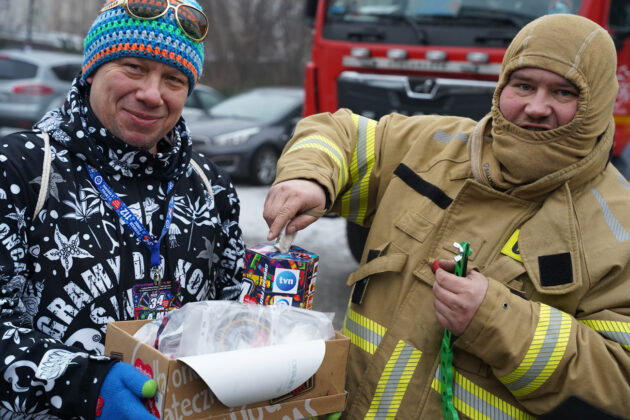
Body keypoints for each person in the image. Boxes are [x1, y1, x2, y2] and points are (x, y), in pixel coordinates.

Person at [263, 13, 630, 419]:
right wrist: (309, 177)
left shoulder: (620, 227)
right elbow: (338, 132)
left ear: (598, 103)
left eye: (563, 93)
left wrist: (497, 320)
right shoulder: (432, 145)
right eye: (523, 85)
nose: (536, 107)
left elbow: (620, 384)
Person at [0, 0, 245, 418]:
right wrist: (86, 386)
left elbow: (234, 314)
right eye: (133, 67)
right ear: (92, 69)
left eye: (173, 79)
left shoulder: (209, 184)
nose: (151, 94)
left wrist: (285, 385)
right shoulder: (21, 168)